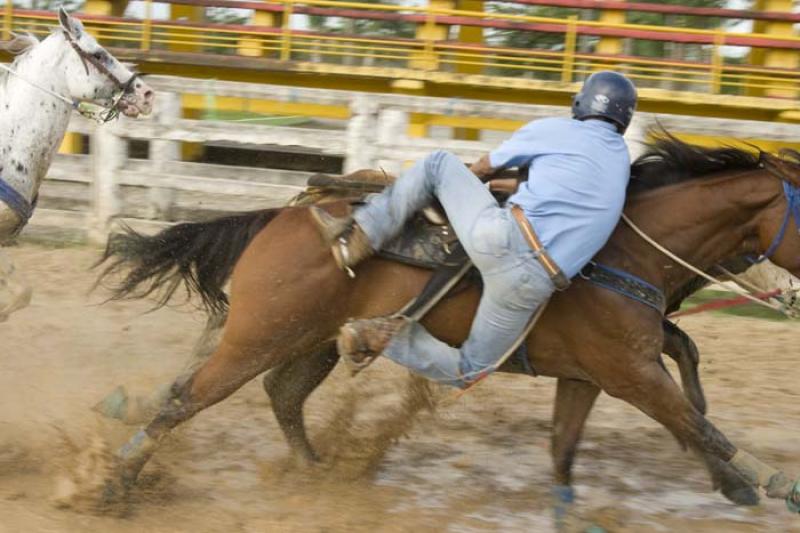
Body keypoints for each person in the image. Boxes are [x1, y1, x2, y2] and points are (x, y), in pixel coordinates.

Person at [311, 71, 637, 388]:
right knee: (470, 370)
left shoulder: (556, 129)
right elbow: (574, 186)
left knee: (437, 164)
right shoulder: (620, 159)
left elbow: (485, 165)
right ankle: (374, 334)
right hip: (534, 285)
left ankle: (357, 238)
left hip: (502, 240)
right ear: (624, 118)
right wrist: (511, 184)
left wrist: (472, 182)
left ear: (582, 102)